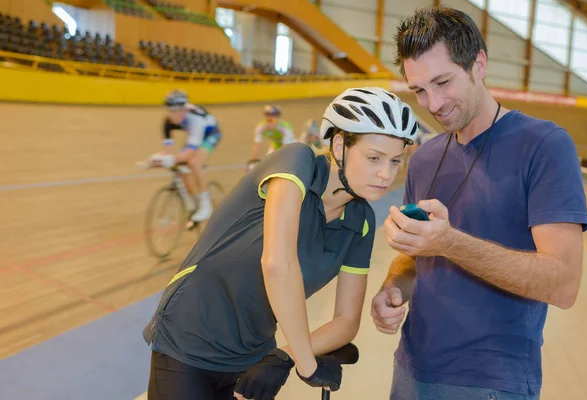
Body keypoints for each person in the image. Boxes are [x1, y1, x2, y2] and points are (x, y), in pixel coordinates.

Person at [370, 6, 587, 400]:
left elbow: (564, 284)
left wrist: (450, 242)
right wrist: (394, 288)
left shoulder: (544, 145)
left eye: (442, 82)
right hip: (409, 369)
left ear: (479, 64)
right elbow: (415, 257)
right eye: (419, 89)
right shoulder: (423, 158)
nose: (432, 103)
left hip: (491, 382)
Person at [142, 87, 419, 400]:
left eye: (395, 161)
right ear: (339, 146)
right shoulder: (296, 162)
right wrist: (307, 364)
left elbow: (346, 321)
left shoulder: (362, 220)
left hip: (252, 354)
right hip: (189, 341)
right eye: (374, 158)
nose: (386, 173)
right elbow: (277, 265)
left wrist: (283, 356)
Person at [150, 89, 222, 222]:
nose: (172, 116)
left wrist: (171, 159)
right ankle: (196, 203)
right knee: (183, 170)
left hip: (210, 134)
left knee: (194, 163)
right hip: (194, 136)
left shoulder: (195, 119)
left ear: (184, 110)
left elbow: (190, 152)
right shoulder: (168, 122)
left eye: (176, 111)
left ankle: (206, 206)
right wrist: (156, 159)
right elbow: (166, 150)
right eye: (170, 111)